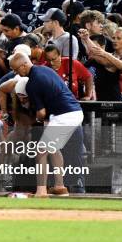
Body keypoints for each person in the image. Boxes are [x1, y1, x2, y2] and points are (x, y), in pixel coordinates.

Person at [8, 52, 81, 197]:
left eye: (16, 69)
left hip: (63, 114)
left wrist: (34, 116)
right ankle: (60, 187)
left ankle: (41, 191)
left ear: (24, 65)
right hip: (73, 112)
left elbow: (41, 113)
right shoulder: (45, 69)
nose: (16, 72)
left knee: (41, 151)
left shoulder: (32, 83)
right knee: (53, 149)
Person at [80, 27, 122, 102]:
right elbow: (96, 53)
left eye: (118, 38)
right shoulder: (110, 56)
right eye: (113, 38)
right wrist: (86, 39)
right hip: (113, 99)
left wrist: (105, 53)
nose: (115, 41)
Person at [84, 34, 122, 101]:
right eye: (88, 46)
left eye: (93, 46)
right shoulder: (88, 63)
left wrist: (87, 39)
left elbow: (102, 59)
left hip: (114, 105)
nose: (90, 49)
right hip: (96, 105)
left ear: (102, 47)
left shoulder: (110, 60)